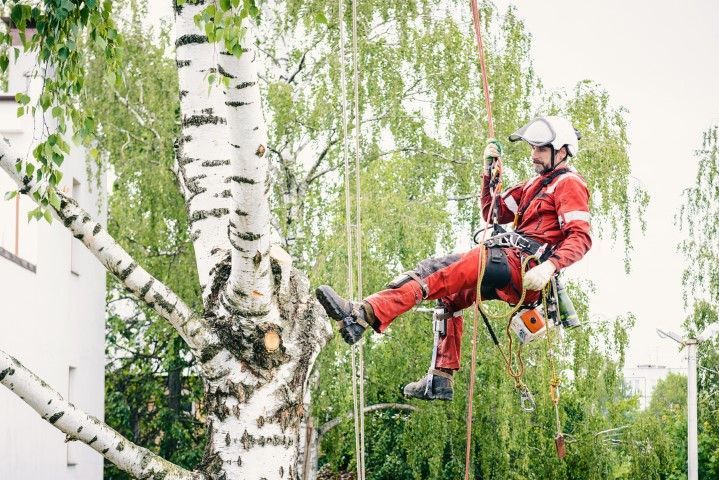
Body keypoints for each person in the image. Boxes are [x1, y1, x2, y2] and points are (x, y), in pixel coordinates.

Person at [316, 115, 592, 401]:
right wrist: (489, 174)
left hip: (524, 267)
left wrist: (550, 266)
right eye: (532, 149)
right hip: (510, 266)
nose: (533, 155)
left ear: (561, 152)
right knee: (450, 295)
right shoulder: (533, 186)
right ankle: (440, 379)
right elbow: (493, 213)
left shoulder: (569, 184)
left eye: (540, 149)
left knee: (434, 273)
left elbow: (580, 237)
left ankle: (362, 314)